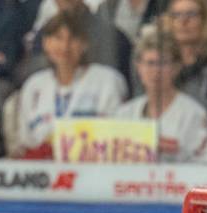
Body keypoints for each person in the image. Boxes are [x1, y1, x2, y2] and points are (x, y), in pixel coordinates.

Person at [13, 10, 128, 159]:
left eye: (73, 38)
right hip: (44, 170)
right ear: (46, 43)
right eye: (58, 38)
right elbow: (26, 141)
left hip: (95, 169)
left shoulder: (108, 81)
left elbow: (118, 135)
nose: (65, 46)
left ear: (84, 43)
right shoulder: (34, 85)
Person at [115, 26, 207, 161]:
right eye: (150, 63)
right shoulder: (124, 114)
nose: (156, 71)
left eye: (163, 63)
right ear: (138, 67)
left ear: (176, 67)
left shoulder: (194, 114)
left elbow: (201, 165)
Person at [159, 0, 207, 115]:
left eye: (191, 14)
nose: (183, 21)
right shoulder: (159, 61)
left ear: (205, 20)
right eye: (176, 15)